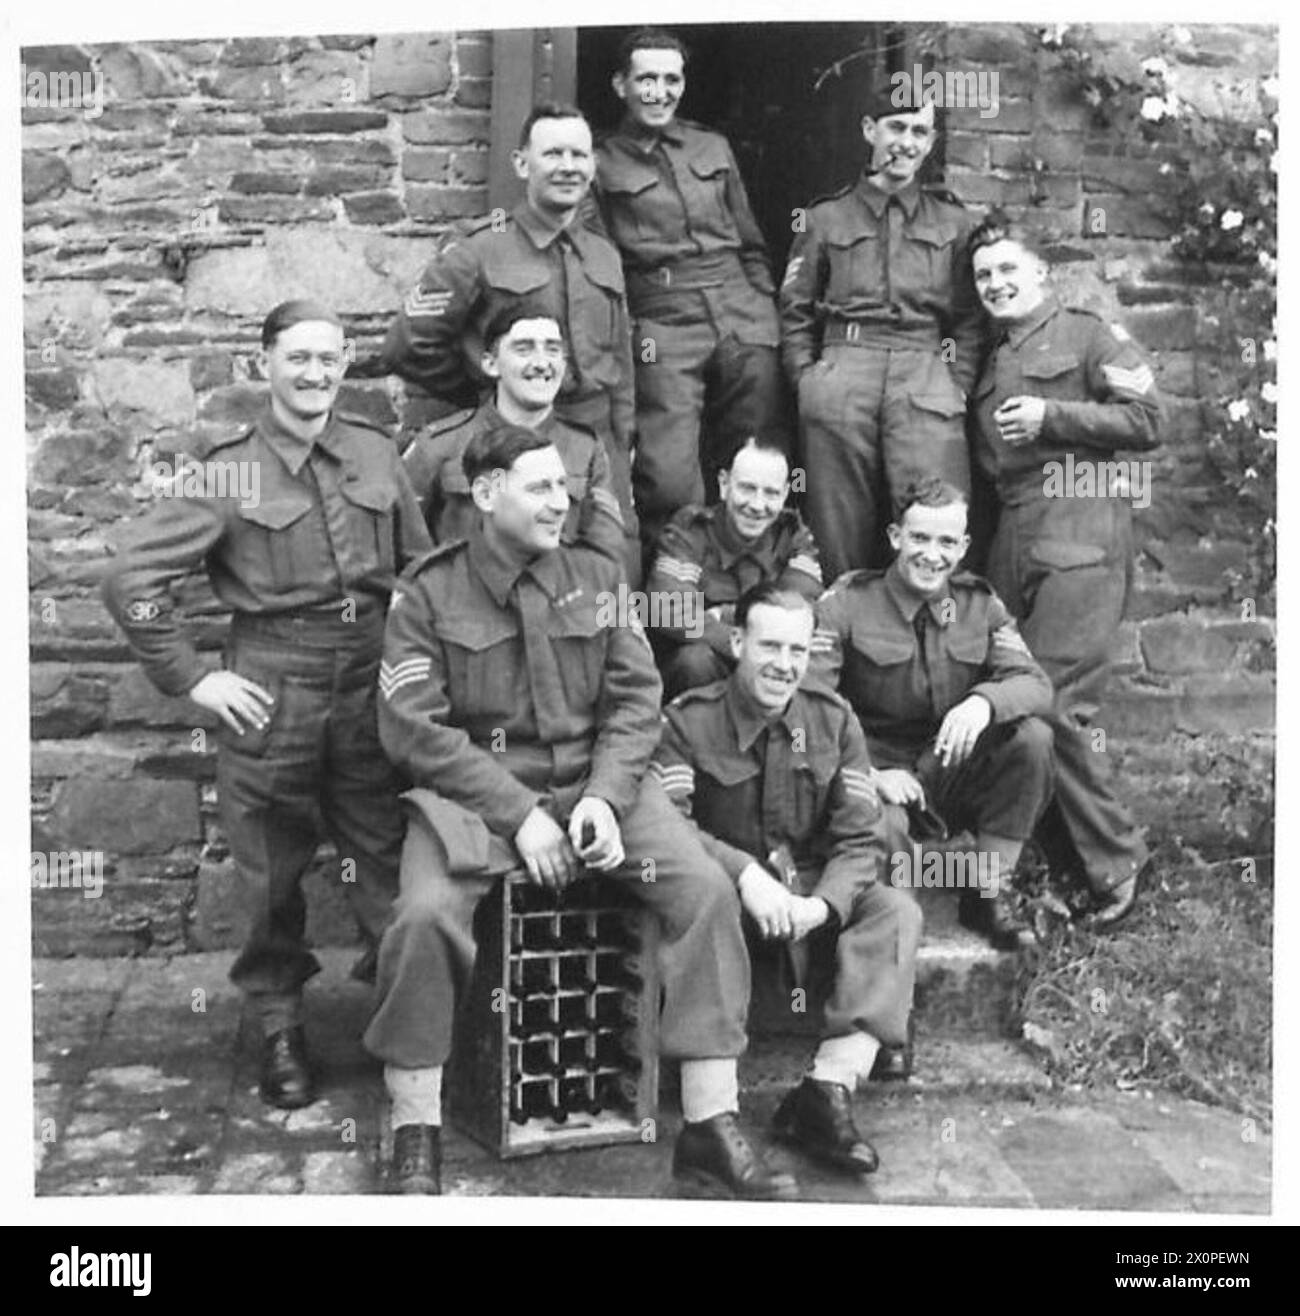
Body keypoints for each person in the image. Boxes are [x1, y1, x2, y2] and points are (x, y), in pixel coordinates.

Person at [364, 423, 796, 1200]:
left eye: (563, 486)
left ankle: (708, 1123)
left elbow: (636, 701)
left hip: (602, 787)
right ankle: (413, 1127)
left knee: (704, 891)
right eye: (539, 487)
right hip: (478, 794)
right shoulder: (427, 592)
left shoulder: (598, 577)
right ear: (488, 493)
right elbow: (413, 731)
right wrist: (521, 814)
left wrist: (603, 795)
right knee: (425, 913)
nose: (559, 502)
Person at [101, 300, 431, 1109]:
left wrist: (421, 671)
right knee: (269, 874)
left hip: (368, 680)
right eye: (297, 358)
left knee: (386, 855)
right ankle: (281, 1027)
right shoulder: (232, 469)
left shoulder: (376, 452)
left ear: (345, 363)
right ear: (266, 365)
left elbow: (423, 573)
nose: (314, 373)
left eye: (328, 358)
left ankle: (404, 1030)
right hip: (271, 688)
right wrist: (191, 678)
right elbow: (128, 577)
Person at [654, 585, 921, 1176]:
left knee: (895, 911)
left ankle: (825, 1095)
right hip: (728, 912)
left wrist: (823, 906)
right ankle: (710, 1123)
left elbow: (859, 840)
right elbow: (669, 828)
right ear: (739, 643)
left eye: (797, 650)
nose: (783, 664)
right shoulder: (687, 722)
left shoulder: (834, 719)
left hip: (803, 907)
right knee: (710, 892)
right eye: (769, 645)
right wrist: (743, 873)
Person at [969, 216, 1164, 926]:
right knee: (1013, 699)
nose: (995, 284)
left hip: (1080, 527)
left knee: (1046, 701)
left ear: (1041, 273)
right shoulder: (988, 360)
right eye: (984, 276)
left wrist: (1054, 414)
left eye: (1007, 271)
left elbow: (1146, 420)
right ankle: (1052, 868)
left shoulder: (1086, 334)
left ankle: (1118, 860)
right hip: (1015, 536)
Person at [372, 102, 641, 579]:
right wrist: (483, 389)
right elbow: (407, 345)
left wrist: (622, 444)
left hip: (593, 447)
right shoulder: (481, 247)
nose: (567, 167)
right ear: (522, 164)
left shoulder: (603, 255)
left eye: (579, 155)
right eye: (552, 153)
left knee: (607, 574)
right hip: (507, 440)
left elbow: (620, 364)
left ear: (593, 166)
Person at [809, 480, 1054, 949]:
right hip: (878, 770)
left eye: (946, 542)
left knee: (1034, 740)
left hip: (949, 765)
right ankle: (890, 926)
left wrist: (983, 703)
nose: (932, 555)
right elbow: (810, 703)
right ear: (895, 537)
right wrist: (870, 772)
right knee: (882, 827)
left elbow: (1035, 684)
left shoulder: (979, 605)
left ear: (962, 547)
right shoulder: (847, 603)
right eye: (919, 538)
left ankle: (988, 890)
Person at [593, 27, 790, 548]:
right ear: (621, 85)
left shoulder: (712, 145)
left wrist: (763, 307)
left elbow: (749, 239)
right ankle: (675, 595)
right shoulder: (601, 161)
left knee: (754, 462)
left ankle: (751, 590)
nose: (660, 91)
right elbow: (601, 259)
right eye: (647, 79)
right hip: (662, 319)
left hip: (741, 313)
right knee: (669, 474)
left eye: (671, 79)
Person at [780, 86, 982, 581]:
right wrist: (808, 381)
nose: (906, 143)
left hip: (925, 373)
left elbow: (971, 318)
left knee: (934, 517)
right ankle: (839, 637)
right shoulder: (826, 217)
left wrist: (957, 383)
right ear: (870, 130)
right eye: (896, 127)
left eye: (919, 131)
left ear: (931, 141)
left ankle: (929, 646)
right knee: (836, 527)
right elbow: (795, 307)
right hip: (843, 367)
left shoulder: (954, 221)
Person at [401, 303, 624, 562]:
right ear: (491, 363)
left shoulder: (586, 449)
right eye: (524, 349)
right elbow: (407, 552)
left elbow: (606, 554)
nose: (541, 363)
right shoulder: (439, 446)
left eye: (553, 350)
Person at [644, 435, 822, 698]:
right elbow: (666, 610)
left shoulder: (794, 536)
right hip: (707, 669)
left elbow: (804, 606)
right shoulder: (690, 532)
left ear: (785, 494)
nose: (757, 505)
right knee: (694, 661)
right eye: (747, 489)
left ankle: (790, 739)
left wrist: (725, 614)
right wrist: (738, 641)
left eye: (771, 493)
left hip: (773, 664)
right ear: (724, 484)